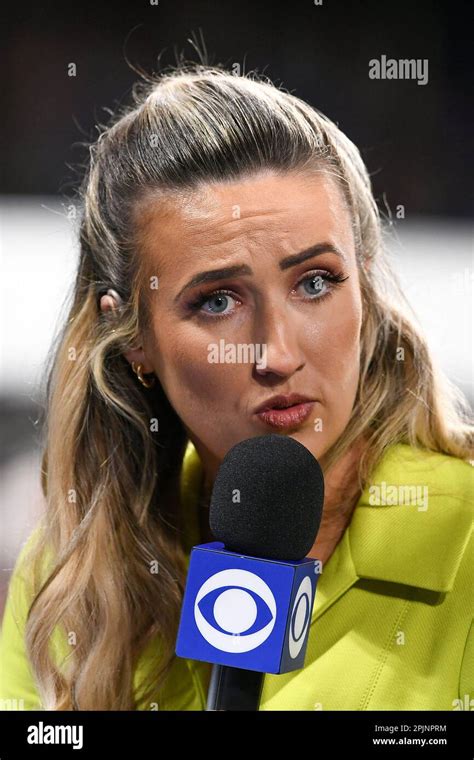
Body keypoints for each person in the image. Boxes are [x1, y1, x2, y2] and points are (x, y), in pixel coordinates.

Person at [0, 64, 472, 711]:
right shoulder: (65, 579)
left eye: (315, 282)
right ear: (132, 334)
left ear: (365, 286)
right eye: (218, 300)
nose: (276, 353)